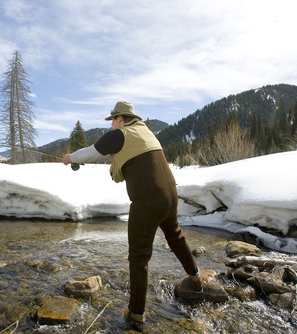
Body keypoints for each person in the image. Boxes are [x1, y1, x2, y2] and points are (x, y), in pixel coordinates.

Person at [63, 101, 202, 324]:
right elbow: (102, 156)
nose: (111, 125)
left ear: (121, 118)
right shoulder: (146, 133)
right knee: (175, 236)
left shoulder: (120, 135)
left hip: (147, 201)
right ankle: (196, 280)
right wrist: (78, 158)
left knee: (138, 257)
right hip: (170, 194)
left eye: (113, 120)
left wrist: (70, 158)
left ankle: (136, 314)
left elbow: (92, 151)